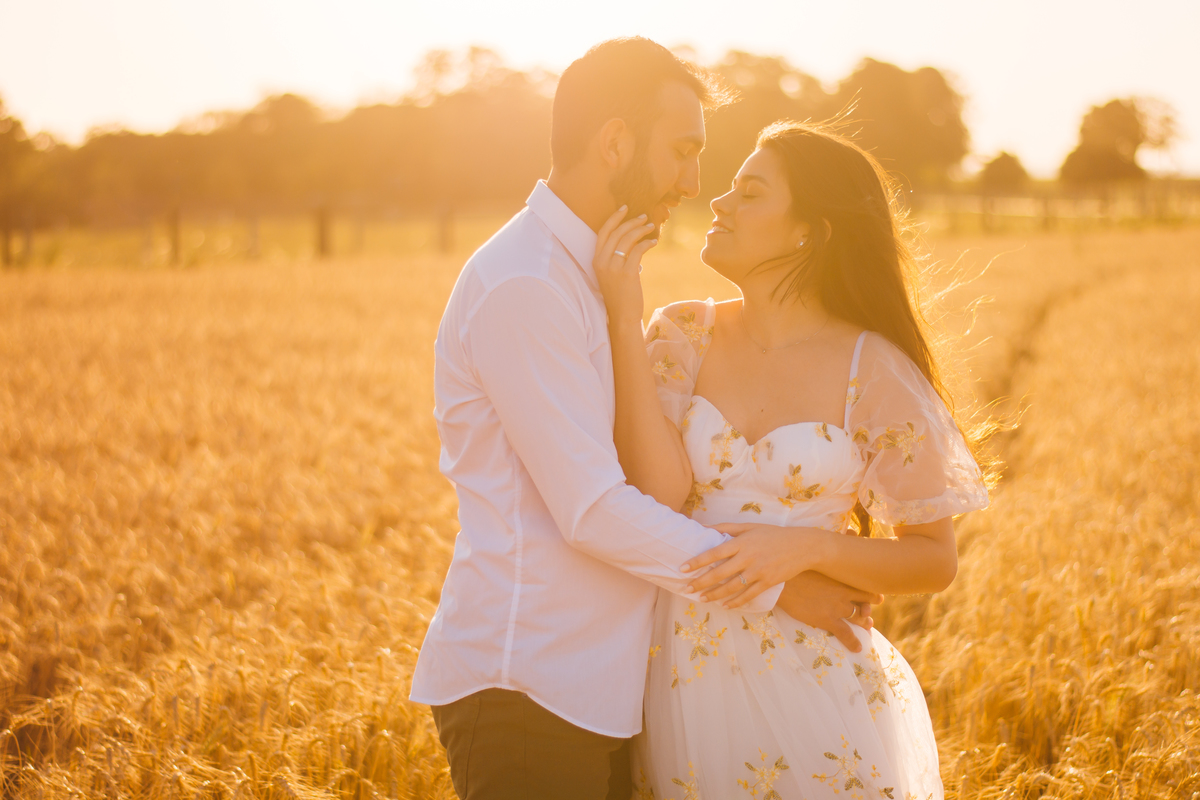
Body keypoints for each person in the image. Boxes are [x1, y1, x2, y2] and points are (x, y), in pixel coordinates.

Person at [409, 39, 882, 800]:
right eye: (682, 151)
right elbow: (593, 509)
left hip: (602, 690)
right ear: (615, 142)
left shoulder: (592, 274)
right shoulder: (525, 284)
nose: (693, 183)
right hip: (529, 687)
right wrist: (779, 589)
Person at [592, 121, 990, 798]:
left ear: (811, 230)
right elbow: (656, 494)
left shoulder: (875, 367)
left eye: (750, 192)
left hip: (822, 691)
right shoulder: (681, 332)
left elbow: (933, 559)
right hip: (680, 676)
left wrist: (801, 549)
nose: (718, 202)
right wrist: (623, 312)